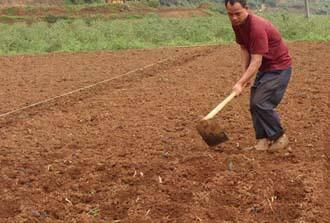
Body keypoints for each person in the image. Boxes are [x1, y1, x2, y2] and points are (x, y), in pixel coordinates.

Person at [225, 0, 292, 152]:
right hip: (265, 69)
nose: (234, 18)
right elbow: (244, 48)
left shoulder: (256, 27)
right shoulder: (237, 25)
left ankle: (280, 137)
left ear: (246, 9)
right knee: (254, 105)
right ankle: (262, 141)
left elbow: (256, 60)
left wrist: (240, 83)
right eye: (230, 14)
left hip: (278, 67)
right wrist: (244, 75)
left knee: (260, 102)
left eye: (237, 13)